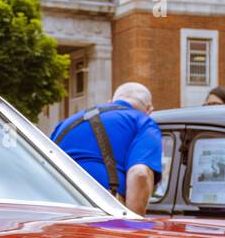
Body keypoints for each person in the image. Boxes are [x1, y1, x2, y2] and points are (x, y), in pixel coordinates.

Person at [51, 82, 162, 216]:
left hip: (56, 205)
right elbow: (140, 173)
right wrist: (134, 225)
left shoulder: (65, 123)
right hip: (103, 208)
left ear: (110, 101)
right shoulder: (142, 122)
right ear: (149, 110)